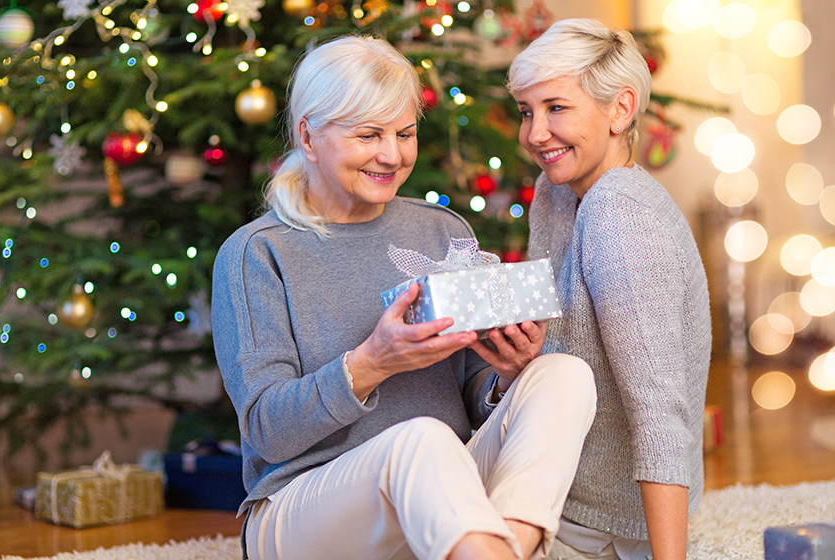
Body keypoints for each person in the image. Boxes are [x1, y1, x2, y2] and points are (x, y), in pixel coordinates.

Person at [211, 34, 597, 560]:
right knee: (422, 439)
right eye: (368, 135)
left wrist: (506, 375)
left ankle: (501, 550)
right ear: (308, 136)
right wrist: (371, 363)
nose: (391, 155)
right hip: (300, 512)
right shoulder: (257, 253)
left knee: (564, 373)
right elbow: (266, 432)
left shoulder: (442, 229)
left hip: (441, 493)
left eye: (405, 134)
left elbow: (470, 395)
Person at [507, 18, 712, 560]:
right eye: (526, 112)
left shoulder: (620, 213)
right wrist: (513, 366)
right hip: (557, 487)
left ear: (620, 110)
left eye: (556, 108)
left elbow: (660, 410)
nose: (535, 134)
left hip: (599, 523)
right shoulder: (555, 193)